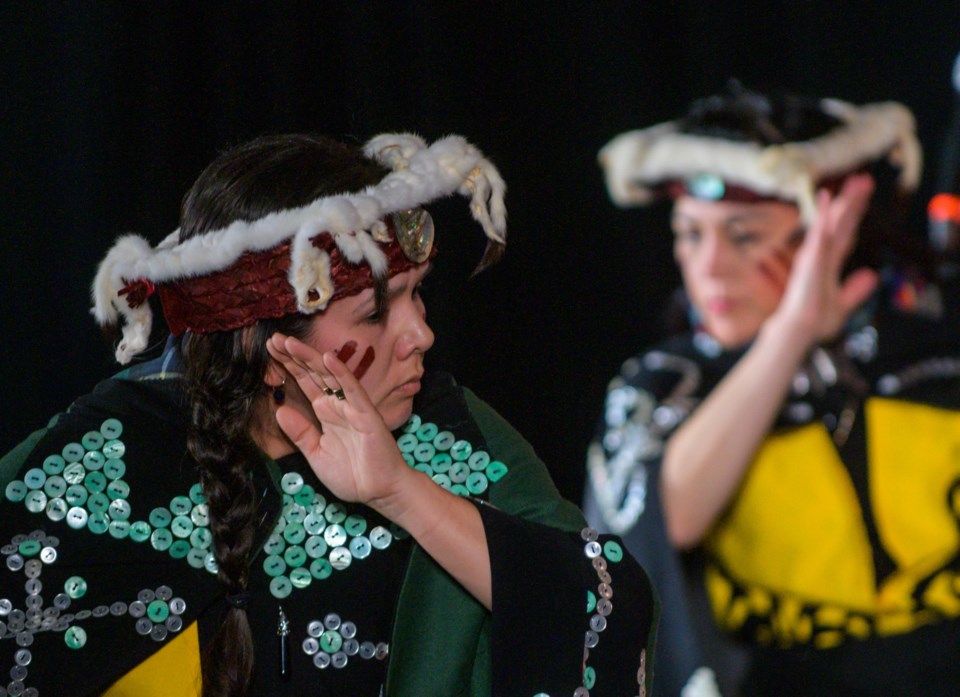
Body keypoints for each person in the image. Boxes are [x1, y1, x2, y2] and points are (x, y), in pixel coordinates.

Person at [0, 132, 656, 697]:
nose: (421, 334)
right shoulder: (113, 451)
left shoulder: (452, 434)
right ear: (265, 348)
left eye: (417, 297)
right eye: (377, 311)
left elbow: (603, 607)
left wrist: (402, 492)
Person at [585, 84, 960, 696]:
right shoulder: (669, 381)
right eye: (690, 234)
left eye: (744, 236)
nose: (708, 268)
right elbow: (662, 518)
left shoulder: (939, 343)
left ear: (837, 228)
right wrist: (791, 336)